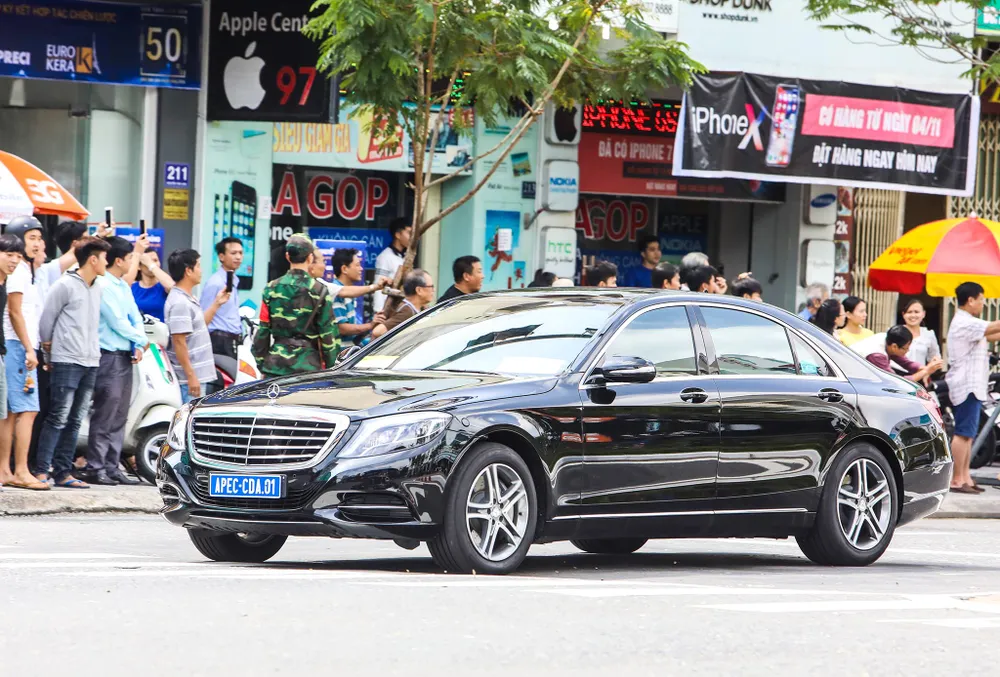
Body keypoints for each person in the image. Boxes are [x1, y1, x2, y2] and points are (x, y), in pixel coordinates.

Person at [35, 236, 111, 489]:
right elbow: (46, 321)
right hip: (66, 360)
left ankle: (64, 472)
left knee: (76, 420)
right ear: (92, 259)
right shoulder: (65, 284)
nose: (106, 263)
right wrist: (48, 352)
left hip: (90, 361)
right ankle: (41, 470)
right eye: (104, 258)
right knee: (58, 417)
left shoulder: (99, 286)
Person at [253, 238, 378, 377]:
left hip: (275, 366)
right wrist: (332, 368)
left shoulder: (271, 288)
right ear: (310, 257)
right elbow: (328, 334)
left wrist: (262, 363)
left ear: (288, 257)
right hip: (308, 368)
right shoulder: (320, 290)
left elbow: (262, 331)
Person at [84, 236, 149, 486]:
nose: (134, 261)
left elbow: (135, 316)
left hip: (124, 356)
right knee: (105, 413)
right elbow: (116, 322)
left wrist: (138, 342)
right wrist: (141, 339)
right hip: (108, 356)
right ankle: (96, 466)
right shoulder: (104, 285)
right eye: (131, 257)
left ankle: (112, 467)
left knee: (120, 414)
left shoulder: (122, 286)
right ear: (119, 260)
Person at [0, 217, 47, 490]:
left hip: (19, 344)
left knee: (11, 413)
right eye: (32, 238)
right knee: (27, 410)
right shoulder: (17, 270)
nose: (38, 243)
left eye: (39, 238)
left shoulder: (24, 268)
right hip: (18, 345)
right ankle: (20, 470)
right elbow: (15, 312)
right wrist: (30, 348)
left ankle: (7, 470)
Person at [946, 282, 1000, 494]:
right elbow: (993, 328)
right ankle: (957, 479)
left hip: (973, 386)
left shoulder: (969, 323)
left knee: (968, 434)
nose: (982, 304)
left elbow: (992, 334)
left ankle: (965, 476)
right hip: (965, 385)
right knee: (962, 433)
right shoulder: (963, 321)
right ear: (970, 300)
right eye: (981, 300)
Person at [165, 249, 229, 403]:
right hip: (190, 380)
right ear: (188, 271)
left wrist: (216, 304)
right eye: (198, 266)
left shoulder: (188, 298)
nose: (201, 271)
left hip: (197, 376)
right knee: (189, 421)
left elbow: (198, 327)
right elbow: (179, 341)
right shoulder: (180, 303)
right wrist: (191, 376)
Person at [0, 235, 32, 490]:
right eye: (8, 254)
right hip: (8, 351)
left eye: (18, 256)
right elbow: (14, 312)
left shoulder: (5, 283)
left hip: (2, 353)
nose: (13, 260)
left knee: (4, 412)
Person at [199, 237, 243, 360]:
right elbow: (203, 315)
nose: (238, 257)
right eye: (233, 253)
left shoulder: (233, 280)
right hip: (219, 340)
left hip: (232, 340)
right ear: (221, 256)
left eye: (240, 253)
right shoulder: (216, 283)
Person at [330, 248, 382, 347]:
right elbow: (342, 328)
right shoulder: (337, 293)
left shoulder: (349, 293)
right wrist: (370, 325)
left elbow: (353, 337)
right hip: (340, 355)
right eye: (357, 265)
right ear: (344, 269)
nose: (361, 269)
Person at [857, 325, 944, 384]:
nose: (908, 350)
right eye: (905, 348)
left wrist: (928, 368)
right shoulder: (877, 355)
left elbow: (906, 363)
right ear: (895, 346)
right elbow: (896, 382)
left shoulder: (888, 340)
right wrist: (926, 371)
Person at [372, 269, 435, 339]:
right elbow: (377, 332)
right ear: (419, 290)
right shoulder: (407, 312)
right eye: (431, 287)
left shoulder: (413, 308)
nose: (433, 290)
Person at [373, 217, 411, 313]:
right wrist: (379, 312)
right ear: (398, 234)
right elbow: (379, 286)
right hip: (387, 310)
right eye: (409, 233)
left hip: (400, 308)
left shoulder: (406, 256)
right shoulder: (385, 257)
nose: (412, 237)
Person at [130, 250, 174, 321]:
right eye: (147, 261)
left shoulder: (163, 286)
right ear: (139, 266)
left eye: (156, 260)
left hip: (161, 330)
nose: (153, 263)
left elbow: (172, 287)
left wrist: (151, 265)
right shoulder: (132, 288)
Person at [900, 299, 941, 366]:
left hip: (919, 374)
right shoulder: (895, 332)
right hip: (895, 374)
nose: (913, 315)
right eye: (909, 312)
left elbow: (935, 358)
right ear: (903, 314)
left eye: (916, 312)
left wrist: (926, 373)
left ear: (923, 314)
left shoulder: (928, 334)